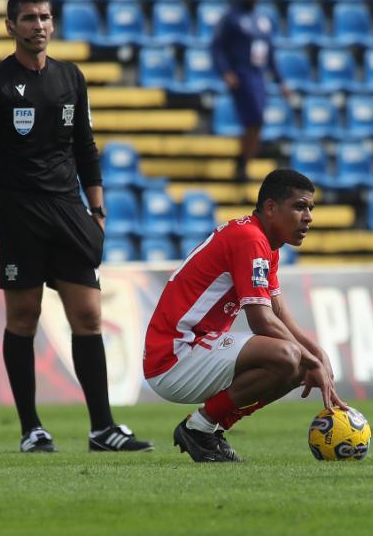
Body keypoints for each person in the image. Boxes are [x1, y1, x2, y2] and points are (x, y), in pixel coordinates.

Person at [0, 0, 153, 454]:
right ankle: (32, 428)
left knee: (88, 316)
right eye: (28, 18)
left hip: (68, 210)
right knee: (23, 317)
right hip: (18, 211)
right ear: (11, 27)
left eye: (45, 17)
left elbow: (85, 147)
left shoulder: (71, 78)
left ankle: (102, 428)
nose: (39, 26)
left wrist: (97, 209)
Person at [143, 169, 347, 462]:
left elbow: (279, 313)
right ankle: (199, 428)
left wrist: (317, 355)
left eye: (311, 208)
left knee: (298, 363)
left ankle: (205, 429)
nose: (309, 217)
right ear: (271, 208)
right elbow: (261, 320)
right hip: (175, 355)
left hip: (195, 349)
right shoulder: (249, 239)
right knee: (289, 356)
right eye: (300, 206)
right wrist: (309, 358)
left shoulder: (265, 243)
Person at [210, 0, 293, 181]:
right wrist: (226, 71)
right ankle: (242, 163)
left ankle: (243, 161)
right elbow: (217, 47)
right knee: (254, 118)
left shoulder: (262, 20)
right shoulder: (232, 17)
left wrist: (280, 80)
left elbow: (270, 52)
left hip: (259, 75)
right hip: (243, 73)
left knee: (257, 122)